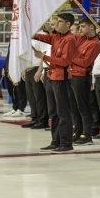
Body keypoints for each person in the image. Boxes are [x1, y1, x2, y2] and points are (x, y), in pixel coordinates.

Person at [34, 13, 77, 153]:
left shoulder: (70, 39)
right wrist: (27, 30)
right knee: (53, 112)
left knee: (63, 112)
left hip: (61, 79)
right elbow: (39, 36)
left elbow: (65, 61)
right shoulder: (55, 37)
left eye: (59, 22)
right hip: (51, 76)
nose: (56, 24)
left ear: (68, 24)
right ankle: (55, 140)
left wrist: (44, 57)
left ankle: (66, 142)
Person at [68, 19, 100, 145]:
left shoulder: (95, 43)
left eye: (82, 26)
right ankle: (77, 132)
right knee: (74, 107)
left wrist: (71, 57)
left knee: (83, 106)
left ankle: (87, 135)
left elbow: (85, 62)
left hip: (82, 77)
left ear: (91, 27)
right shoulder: (82, 38)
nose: (80, 29)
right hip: (72, 75)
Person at [21, 25, 51, 129]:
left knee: (39, 96)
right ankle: (35, 117)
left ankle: (42, 119)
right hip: (30, 67)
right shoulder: (29, 36)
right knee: (31, 96)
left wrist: (40, 71)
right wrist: (25, 69)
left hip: (37, 67)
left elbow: (44, 54)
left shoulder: (42, 36)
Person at [2, 44, 27, 118]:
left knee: (20, 89)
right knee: (12, 90)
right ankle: (15, 107)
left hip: (18, 68)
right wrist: (4, 66)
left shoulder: (21, 40)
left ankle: (21, 109)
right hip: (9, 68)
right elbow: (8, 54)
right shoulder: (11, 41)